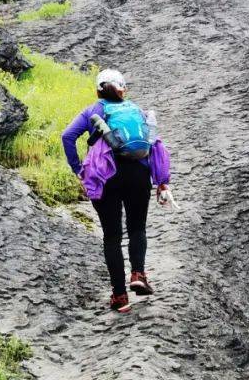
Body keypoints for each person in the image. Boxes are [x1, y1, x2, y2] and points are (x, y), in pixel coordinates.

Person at [61, 68, 172, 313]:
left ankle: (120, 297)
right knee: (137, 228)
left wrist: (79, 169)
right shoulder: (136, 111)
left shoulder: (93, 111)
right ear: (123, 89)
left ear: (97, 90)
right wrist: (161, 180)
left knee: (112, 237)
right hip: (138, 174)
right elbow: (154, 144)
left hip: (106, 177)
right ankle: (139, 275)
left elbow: (67, 136)